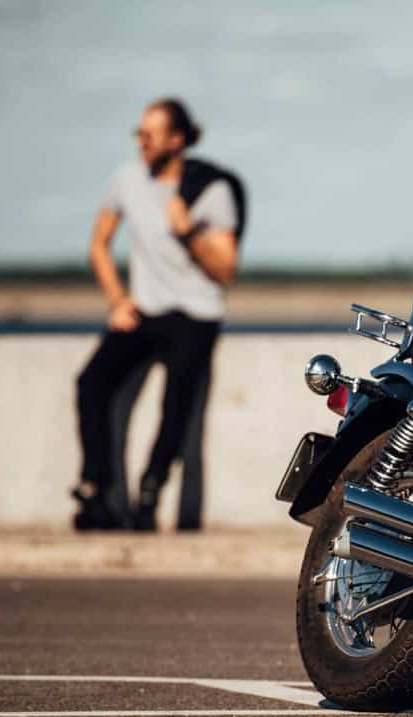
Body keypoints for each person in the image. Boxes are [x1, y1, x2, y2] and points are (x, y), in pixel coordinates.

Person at [72, 97, 246, 531]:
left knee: (176, 405)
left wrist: (187, 231)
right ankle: (96, 487)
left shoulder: (211, 190)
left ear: (177, 138)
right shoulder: (127, 179)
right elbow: (99, 245)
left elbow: (225, 269)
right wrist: (118, 300)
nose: (142, 142)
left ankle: (150, 490)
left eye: (150, 135)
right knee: (91, 382)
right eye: (140, 134)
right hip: (144, 309)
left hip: (196, 313)